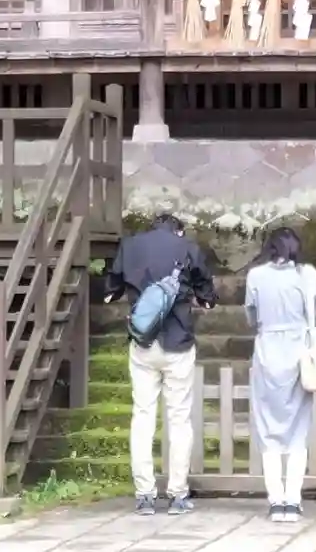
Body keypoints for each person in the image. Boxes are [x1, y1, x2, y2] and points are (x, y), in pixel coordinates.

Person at [104, 212, 217, 517]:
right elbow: (207, 294)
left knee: (142, 415)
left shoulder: (131, 246)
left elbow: (111, 289)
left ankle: (145, 495)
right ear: (178, 231)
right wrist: (201, 299)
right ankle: (177, 494)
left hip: (143, 343)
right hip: (178, 343)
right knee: (179, 418)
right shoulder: (187, 248)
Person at [244, 226, 316, 524]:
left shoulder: (255, 276)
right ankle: (293, 500)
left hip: (267, 353)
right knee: (298, 429)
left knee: (268, 429)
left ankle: (275, 501)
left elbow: (251, 316)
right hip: (299, 353)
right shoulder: (308, 274)